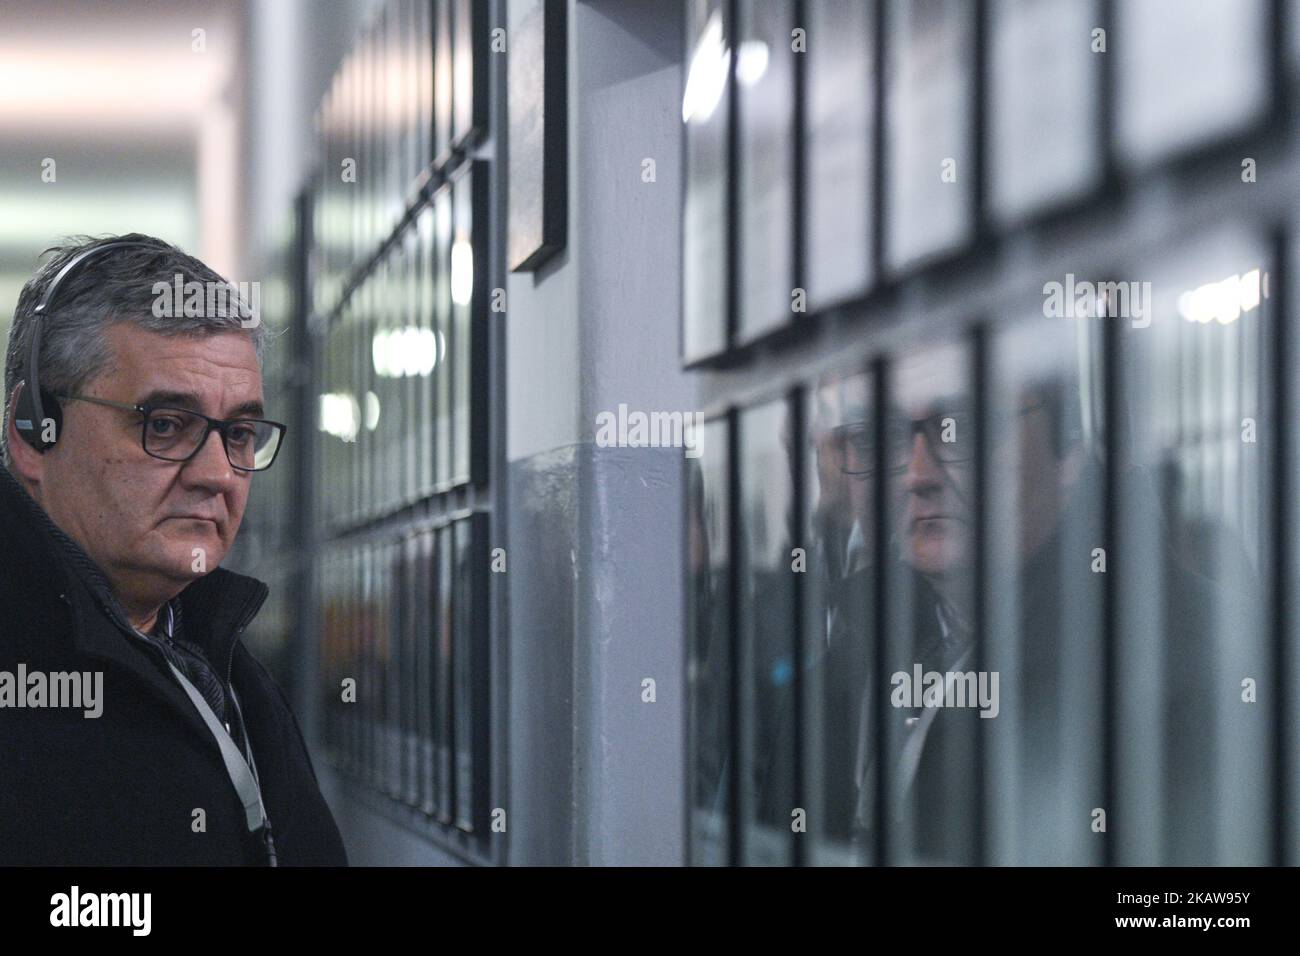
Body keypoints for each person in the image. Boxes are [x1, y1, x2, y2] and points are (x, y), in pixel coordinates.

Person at [0, 234, 346, 865]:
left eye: (238, 433)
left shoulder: (219, 656)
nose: (217, 474)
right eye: (164, 424)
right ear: (33, 432)